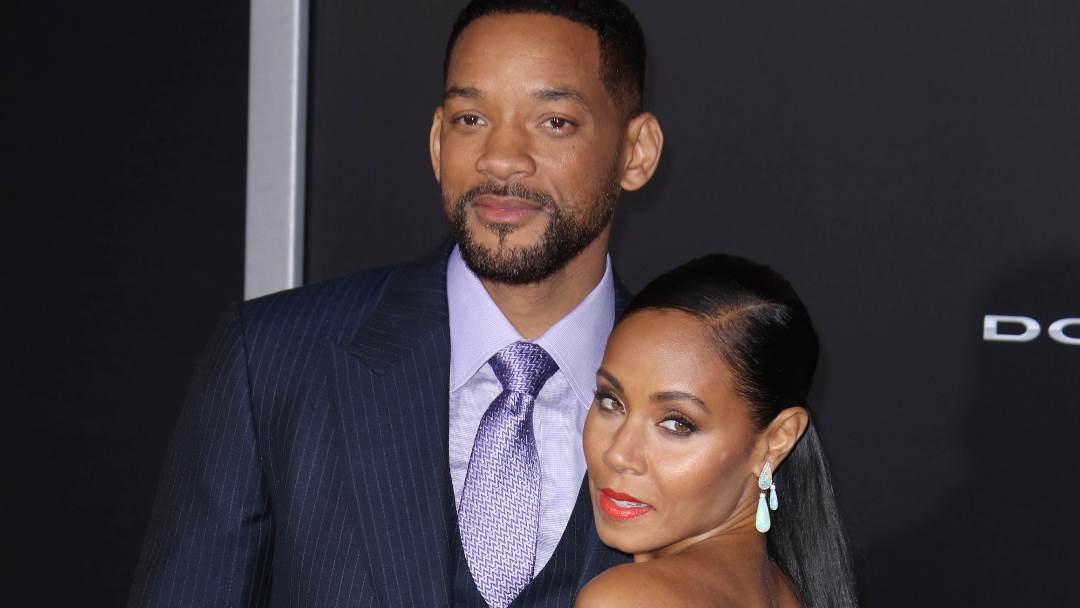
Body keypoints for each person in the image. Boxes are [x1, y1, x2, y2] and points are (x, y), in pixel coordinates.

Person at [128, 1, 662, 607]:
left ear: (636, 152)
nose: (500, 157)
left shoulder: (711, 402)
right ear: (436, 141)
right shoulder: (272, 362)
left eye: (554, 122)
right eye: (470, 118)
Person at [576, 255, 858, 607]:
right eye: (610, 401)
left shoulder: (626, 600)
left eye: (677, 424)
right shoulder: (790, 592)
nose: (619, 454)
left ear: (777, 440)